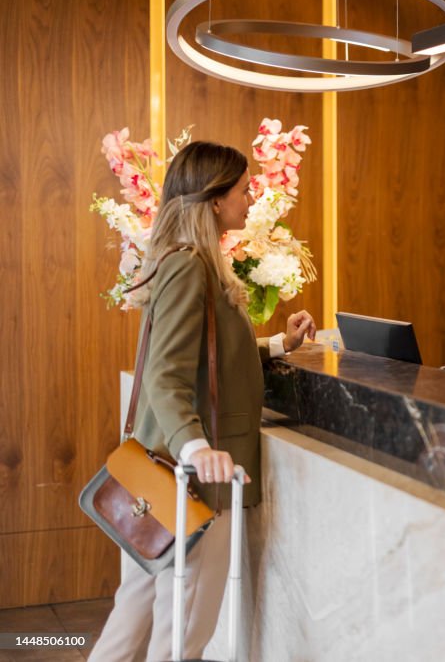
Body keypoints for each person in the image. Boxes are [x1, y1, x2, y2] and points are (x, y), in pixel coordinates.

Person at [89, 141, 317, 661]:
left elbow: (208, 360)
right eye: (242, 188)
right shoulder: (190, 265)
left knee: (131, 622)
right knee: (183, 636)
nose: (250, 196)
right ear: (214, 200)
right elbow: (164, 375)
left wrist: (279, 345)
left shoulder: (188, 261)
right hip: (191, 483)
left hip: (160, 478)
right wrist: (195, 449)